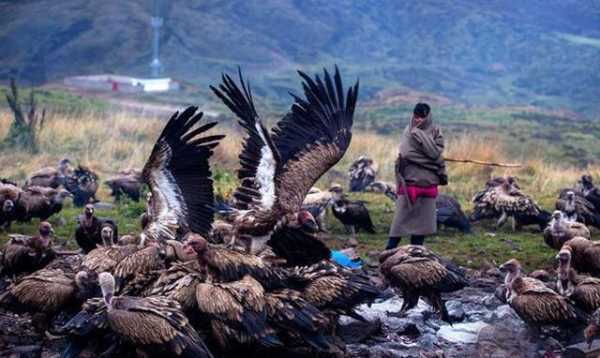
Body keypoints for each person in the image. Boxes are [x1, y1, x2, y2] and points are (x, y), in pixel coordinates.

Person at [386, 103, 447, 249]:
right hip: (409, 183)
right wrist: (434, 163)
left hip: (428, 184)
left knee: (422, 226)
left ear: (428, 116)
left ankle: (415, 255)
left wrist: (433, 157)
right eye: (417, 117)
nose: (419, 120)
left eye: (422, 117)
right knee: (398, 224)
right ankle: (387, 254)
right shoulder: (409, 131)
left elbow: (437, 151)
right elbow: (407, 153)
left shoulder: (436, 131)